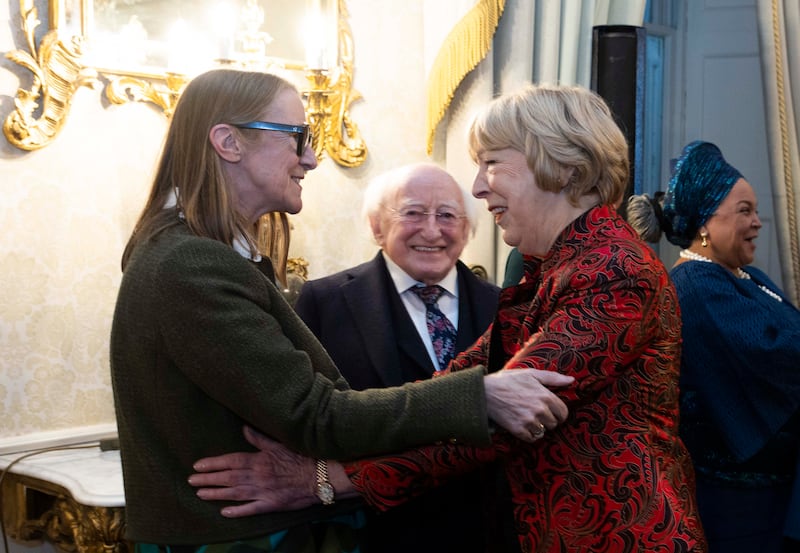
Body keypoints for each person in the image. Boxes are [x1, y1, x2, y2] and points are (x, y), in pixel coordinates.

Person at [189, 83, 707, 552]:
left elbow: (500, 422)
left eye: (492, 164)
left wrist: (323, 480)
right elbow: (453, 391)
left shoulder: (614, 269)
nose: (478, 189)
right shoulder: (554, 270)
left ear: (561, 164)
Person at [109, 69, 575, 553]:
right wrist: (479, 395)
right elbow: (319, 415)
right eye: (297, 137)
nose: (310, 158)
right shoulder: (192, 262)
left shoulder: (201, 254)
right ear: (229, 142)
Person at [293, 163, 499, 552]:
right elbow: (305, 420)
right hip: (368, 532)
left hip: (486, 531)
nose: (432, 230)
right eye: (413, 212)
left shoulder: (505, 305)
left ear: (468, 230)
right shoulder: (323, 302)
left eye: (447, 215)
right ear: (376, 227)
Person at [626, 140, 800, 552]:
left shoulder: (743, 276)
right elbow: (775, 351)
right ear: (705, 222)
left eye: (756, 210)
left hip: (771, 495)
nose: (758, 222)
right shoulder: (696, 287)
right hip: (742, 510)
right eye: (745, 210)